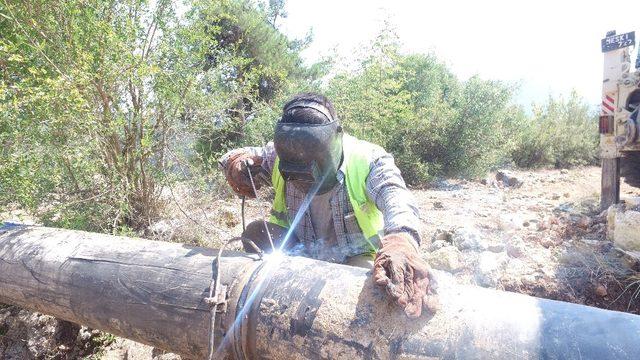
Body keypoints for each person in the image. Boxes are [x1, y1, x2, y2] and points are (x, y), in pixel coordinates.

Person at [219, 93, 430, 318]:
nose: (302, 178)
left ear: (337, 137)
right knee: (257, 233)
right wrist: (237, 164)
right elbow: (231, 158)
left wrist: (401, 239)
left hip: (354, 259)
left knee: (374, 297)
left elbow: (397, 197)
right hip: (300, 253)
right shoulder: (278, 155)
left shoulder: (368, 159)